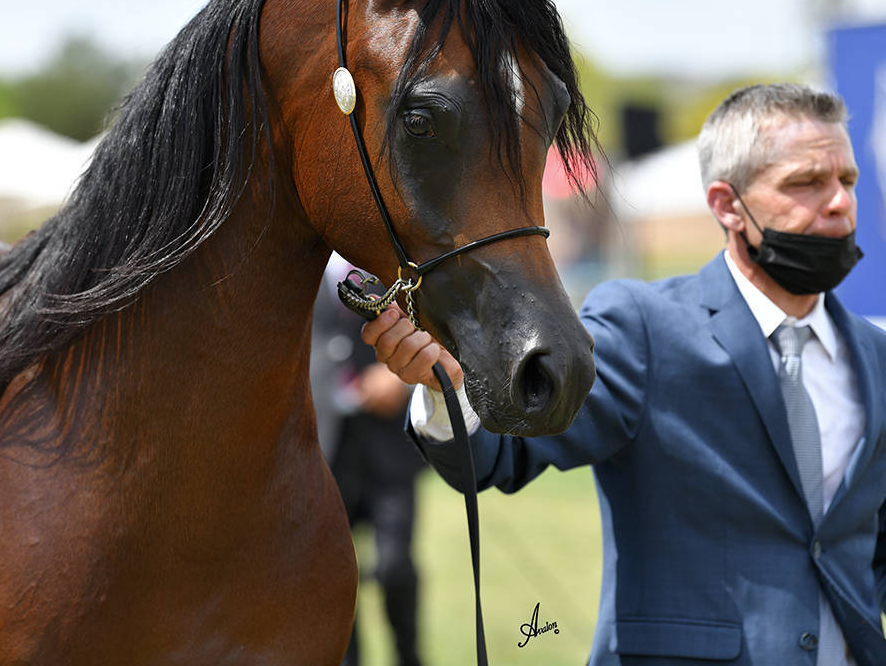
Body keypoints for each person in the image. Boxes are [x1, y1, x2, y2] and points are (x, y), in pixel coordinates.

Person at [361, 84, 886, 665]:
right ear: (727, 204)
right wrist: (447, 387)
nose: (839, 202)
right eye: (806, 183)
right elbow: (498, 455)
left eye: (848, 181)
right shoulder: (645, 330)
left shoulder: (876, 357)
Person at [310, 253, 425, 666]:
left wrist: (401, 379)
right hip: (325, 447)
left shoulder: (385, 259)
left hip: (388, 446)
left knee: (395, 566)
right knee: (337, 578)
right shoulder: (297, 261)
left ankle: (410, 656)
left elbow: (428, 328)